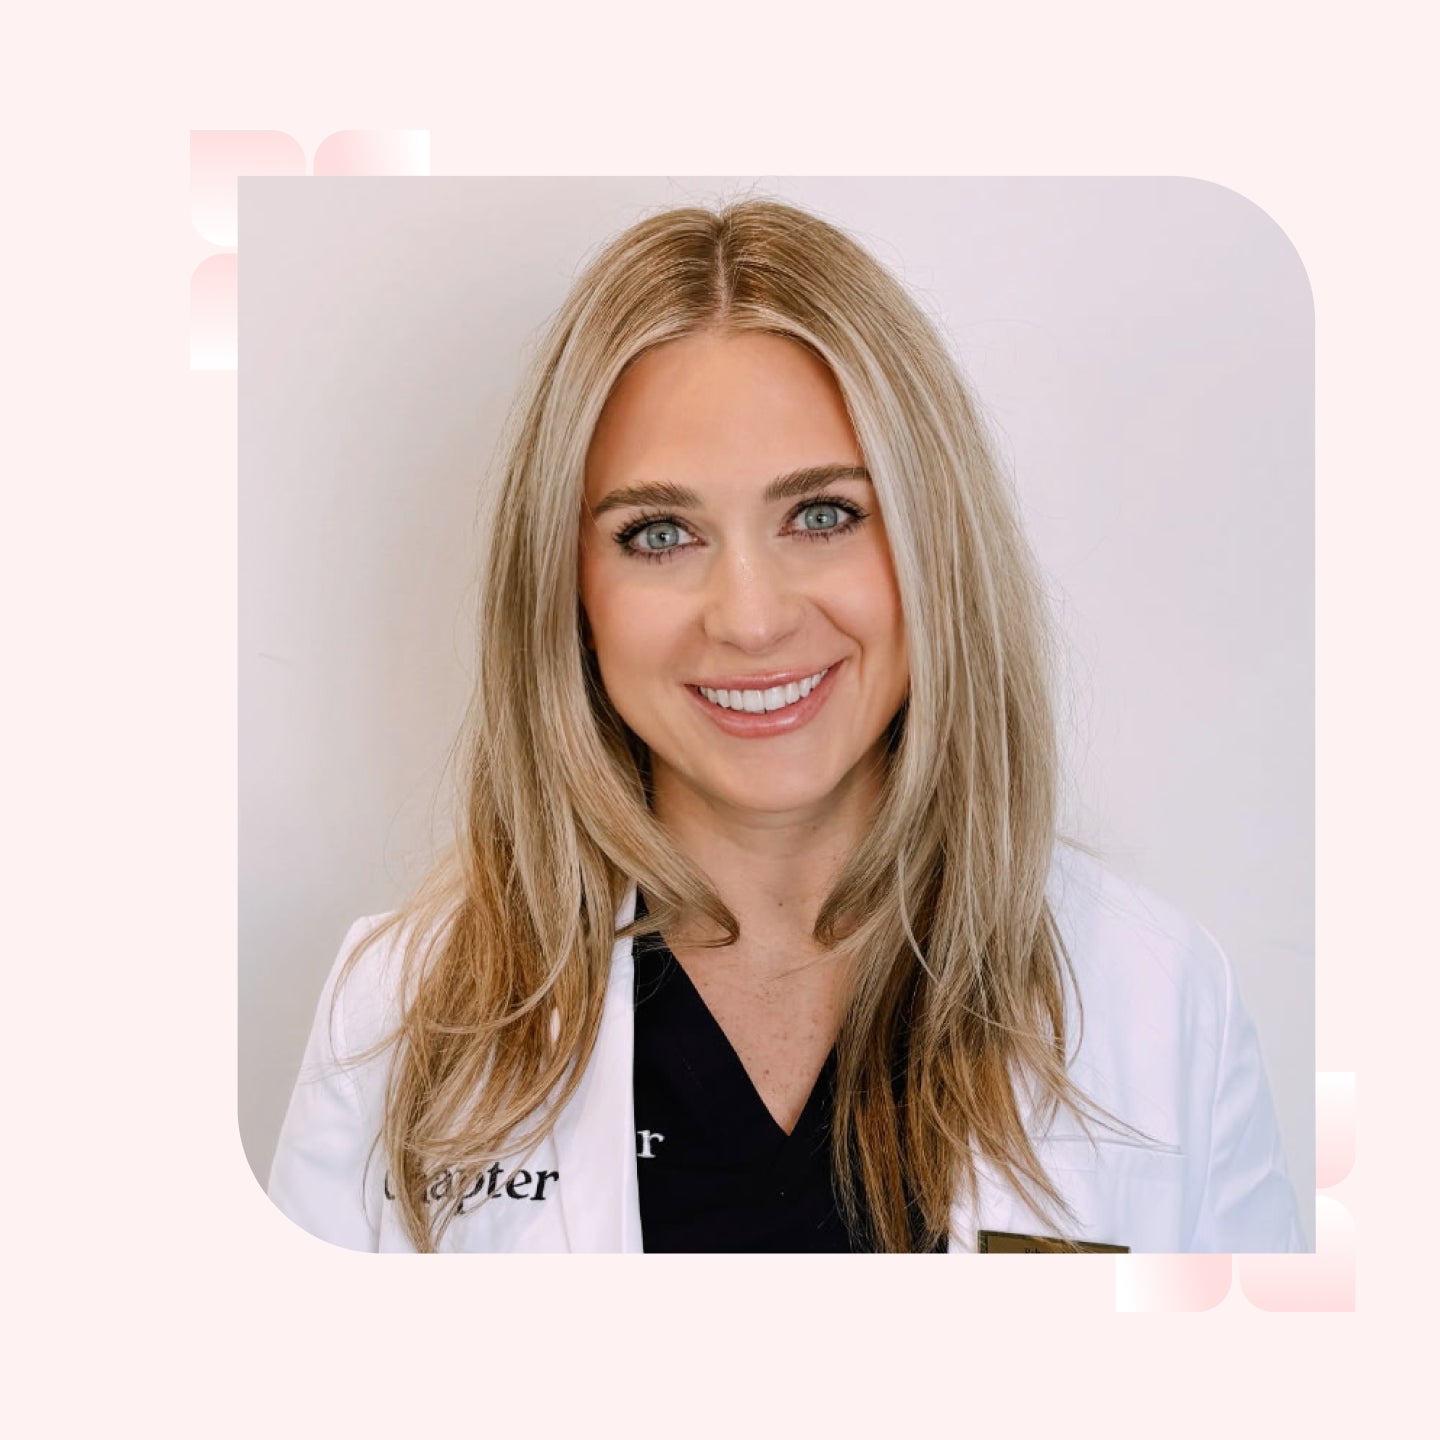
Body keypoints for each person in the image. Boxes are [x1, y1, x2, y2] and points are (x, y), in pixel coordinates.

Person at [267, 198, 1305, 1254]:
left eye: (823, 515)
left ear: (934, 545)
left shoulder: (1159, 996)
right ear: (566, 587)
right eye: (660, 533)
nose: (753, 618)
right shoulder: (396, 1016)